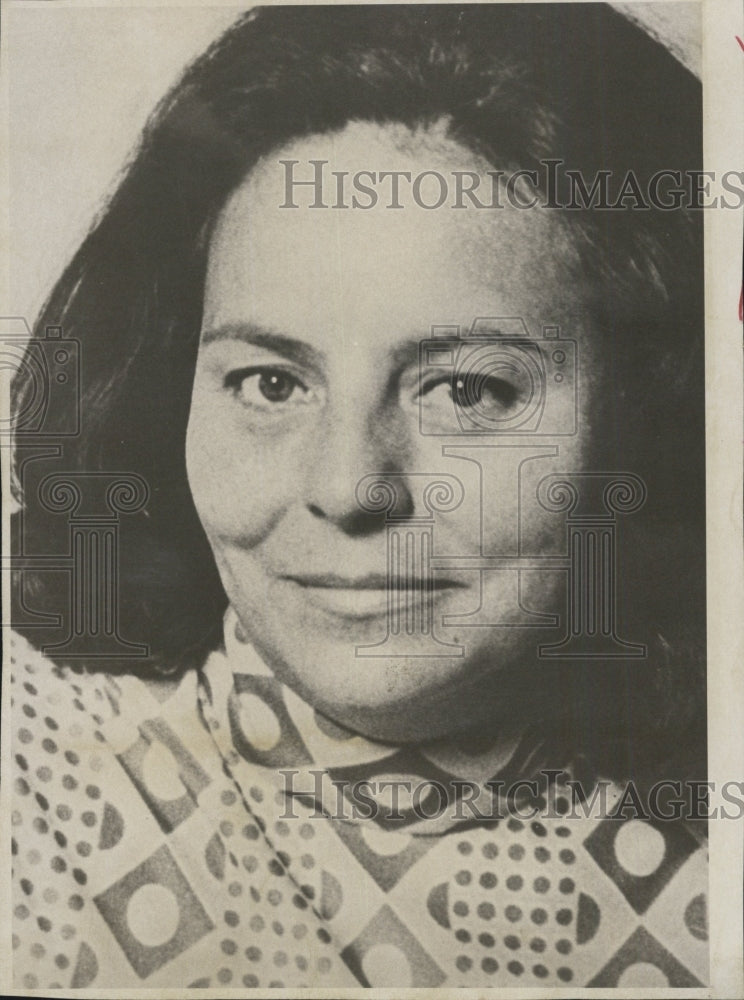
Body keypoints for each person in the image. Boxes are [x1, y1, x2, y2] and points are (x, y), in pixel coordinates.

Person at [8, 3, 707, 989]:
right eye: (271, 383)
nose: (348, 488)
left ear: (656, 413)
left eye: (467, 390)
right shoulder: (29, 787)